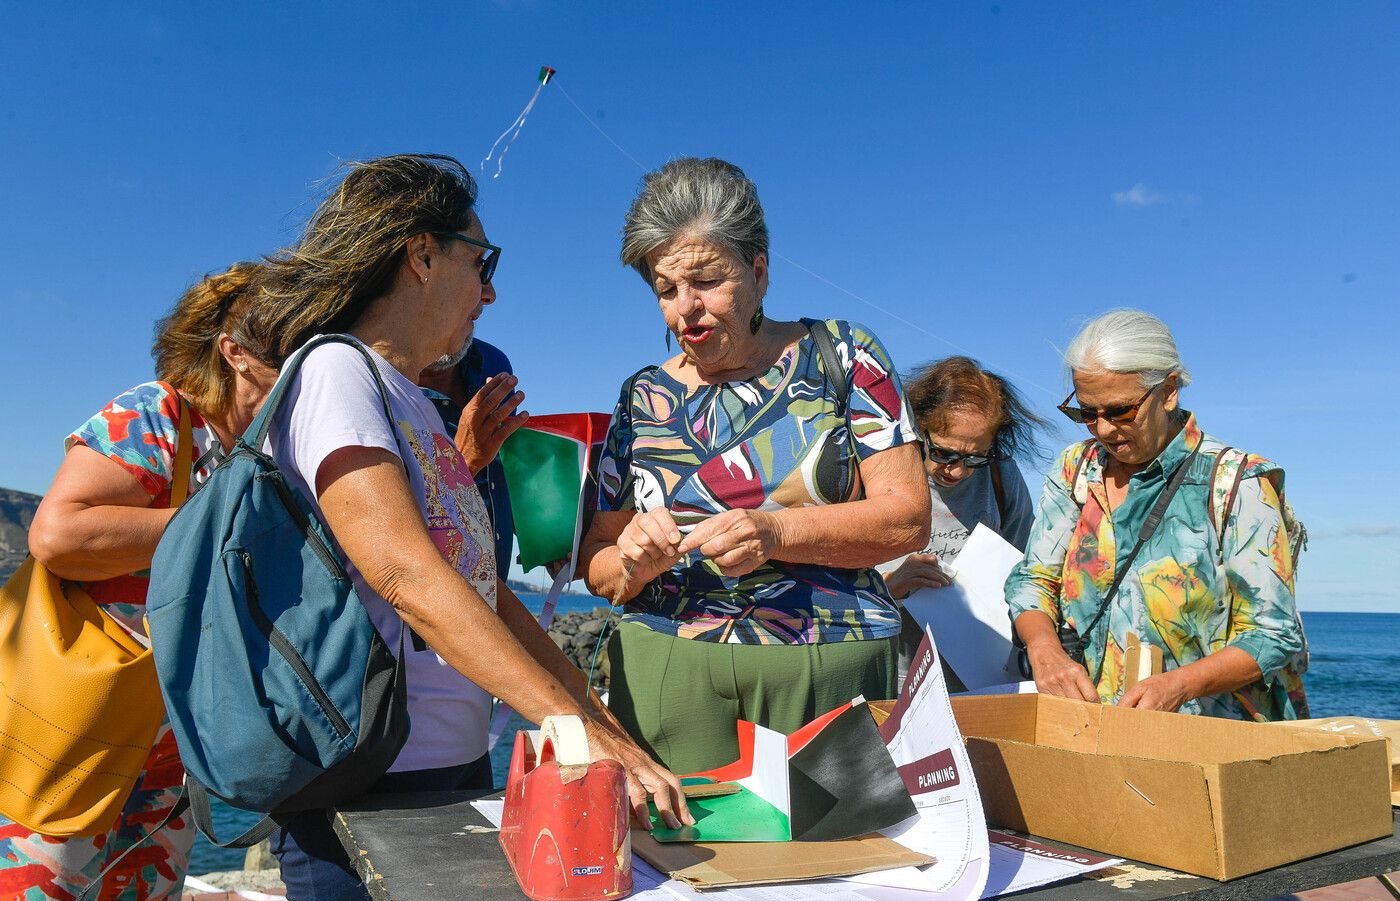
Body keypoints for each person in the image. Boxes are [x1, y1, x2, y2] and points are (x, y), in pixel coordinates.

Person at [238, 153, 691, 901]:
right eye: (480, 262)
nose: (489, 292)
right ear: (421, 253)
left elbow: (482, 592)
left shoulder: (410, 401)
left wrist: (610, 737)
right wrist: (577, 730)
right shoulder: (336, 373)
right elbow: (404, 571)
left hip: (449, 768)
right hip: (361, 784)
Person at [580, 157, 930, 775]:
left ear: (759, 271)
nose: (686, 309)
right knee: (676, 863)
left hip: (829, 671)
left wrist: (777, 532)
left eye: (707, 282)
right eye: (666, 291)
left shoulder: (844, 358)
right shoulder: (640, 399)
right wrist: (631, 559)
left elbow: (906, 521)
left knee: (840, 864)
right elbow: (597, 564)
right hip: (668, 674)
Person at [5, 263, 276, 901]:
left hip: (164, 755)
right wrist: (220, 526)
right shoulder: (155, 414)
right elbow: (57, 532)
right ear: (233, 351)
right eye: (290, 344)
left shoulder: (247, 454)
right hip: (81, 737)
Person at [1006, 309, 1308, 723]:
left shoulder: (1237, 483)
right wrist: (1045, 652)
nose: (1102, 430)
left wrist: (1180, 685)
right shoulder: (1076, 468)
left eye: (1120, 412)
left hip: (1207, 735)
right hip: (1089, 728)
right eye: (1085, 413)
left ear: (1168, 391)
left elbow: (1273, 633)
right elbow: (1033, 578)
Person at [881, 356, 1046, 683]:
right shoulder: (881, 473)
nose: (957, 471)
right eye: (943, 453)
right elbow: (833, 590)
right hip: (895, 674)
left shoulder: (1002, 476)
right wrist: (889, 586)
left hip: (979, 675)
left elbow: (1027, 569)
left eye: (975, 457)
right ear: (918, 428)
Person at [418, 337, 526, 575]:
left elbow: (499, 471)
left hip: (493, 590)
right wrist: (463, 463)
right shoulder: (357, 374)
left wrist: (544, 539)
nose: (489, 298)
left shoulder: (493, 362)